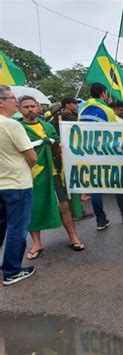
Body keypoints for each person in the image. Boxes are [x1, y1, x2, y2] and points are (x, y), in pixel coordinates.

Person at [18, 96, 85, 259]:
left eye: (33, 106)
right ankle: (36, 243)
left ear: (38, 108)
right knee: (34, 208)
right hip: (31, 174)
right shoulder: (17, 128)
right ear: (20, 109)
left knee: (64, 205)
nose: (30, 110)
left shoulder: (48, 126)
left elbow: (57, 149)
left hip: (54, 172)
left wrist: (55, 144)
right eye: (26, 107)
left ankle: (73, 237)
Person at [79, 83, 123, 230]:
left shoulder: (82, 109)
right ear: (103, 94)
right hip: (108, 153)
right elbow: (115, 132)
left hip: (88, 153)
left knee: (95, 187)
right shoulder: (107, 110)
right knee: (118, 183)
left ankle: (101, 220)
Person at [0, 85, 37, 286]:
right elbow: (31, 156)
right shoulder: (12, 125)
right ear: (1, 102)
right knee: (17, 228)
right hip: (17, 184)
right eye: (12, 98)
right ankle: (11, 270)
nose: (16, 101)